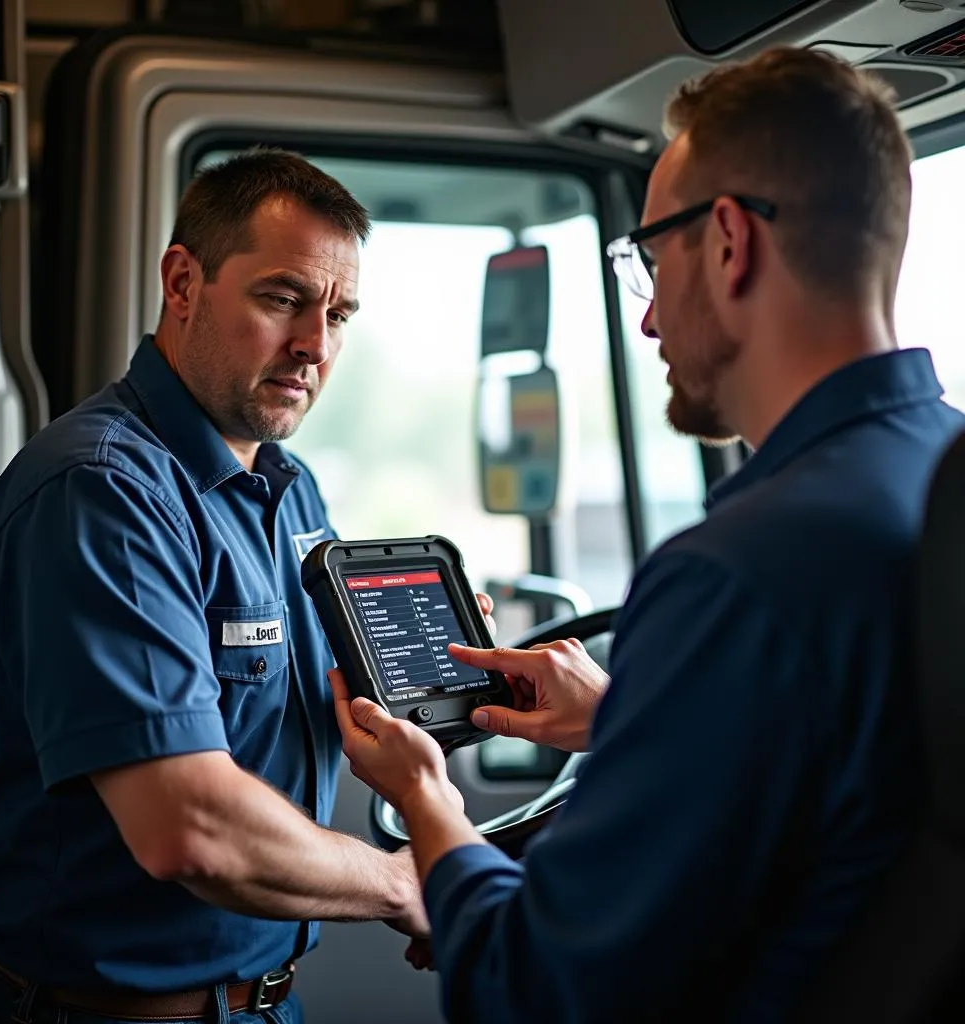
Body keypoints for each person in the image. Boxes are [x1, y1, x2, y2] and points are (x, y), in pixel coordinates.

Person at [331, 46, 965, 1023]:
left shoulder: (739, 573)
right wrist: (633, 717)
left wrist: (427, 805)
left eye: (646, 257)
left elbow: (535, 989)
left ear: (725, 242)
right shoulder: (941, 472)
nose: (650, 319)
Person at [0, 148, 481, 1024]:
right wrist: (399, 883)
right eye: (282, 299)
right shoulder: (103, 490)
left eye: (339, 314)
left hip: (262, 1006)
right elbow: (186, 824)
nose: (314, 344)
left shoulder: (288, 485)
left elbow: (322, 712)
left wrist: (435, 680)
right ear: (183, 282)